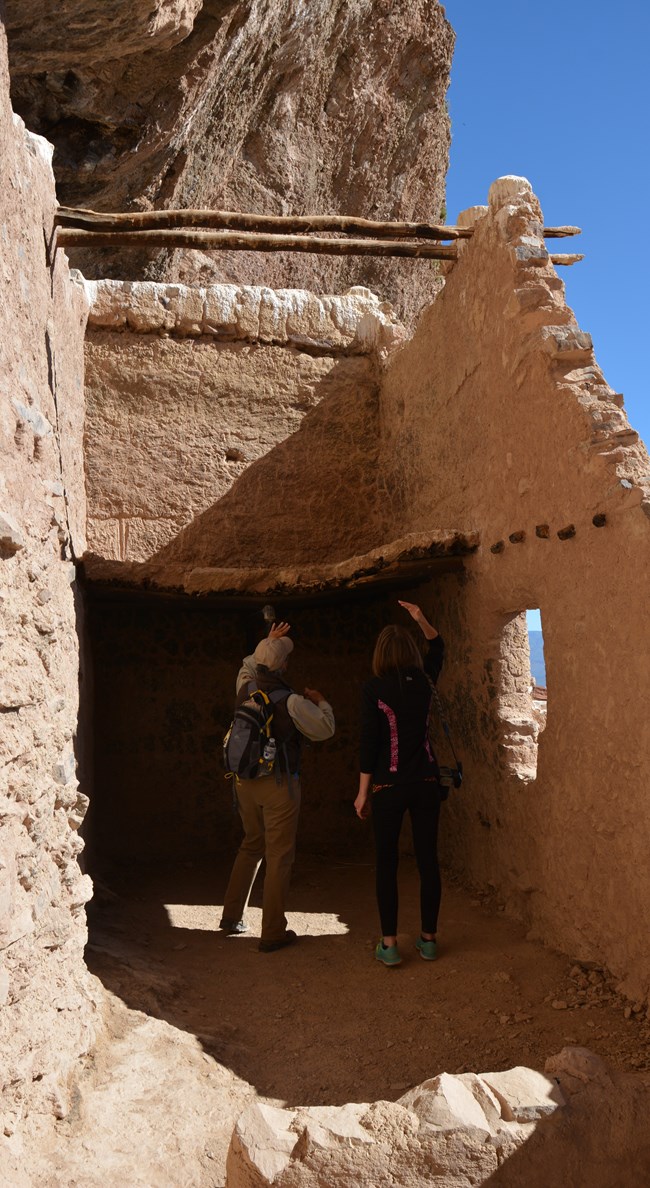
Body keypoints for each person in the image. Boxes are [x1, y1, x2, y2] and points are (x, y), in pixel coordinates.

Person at [221, 621, 335, 952]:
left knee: (251, 845)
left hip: (244, 783)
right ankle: (272, 931)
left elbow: (246, 664)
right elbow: (325, 729)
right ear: (284, 666)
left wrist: (266, 642)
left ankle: (231, 917)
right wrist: (322, 701)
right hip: (279, 785)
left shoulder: (245, 687)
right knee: (279, 856)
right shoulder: (292, 702)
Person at [354, 600, 444, 967]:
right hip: (426, 780)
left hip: (388, 787)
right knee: (428, 861)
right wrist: (421, 617)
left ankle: (389, 945)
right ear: (410, 651)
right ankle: (428, 940)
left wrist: (362, 793)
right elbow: (437, 647)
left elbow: (369, 743)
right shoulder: (424, 682)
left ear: (380, 654)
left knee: (387, 864)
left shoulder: (373, 689)